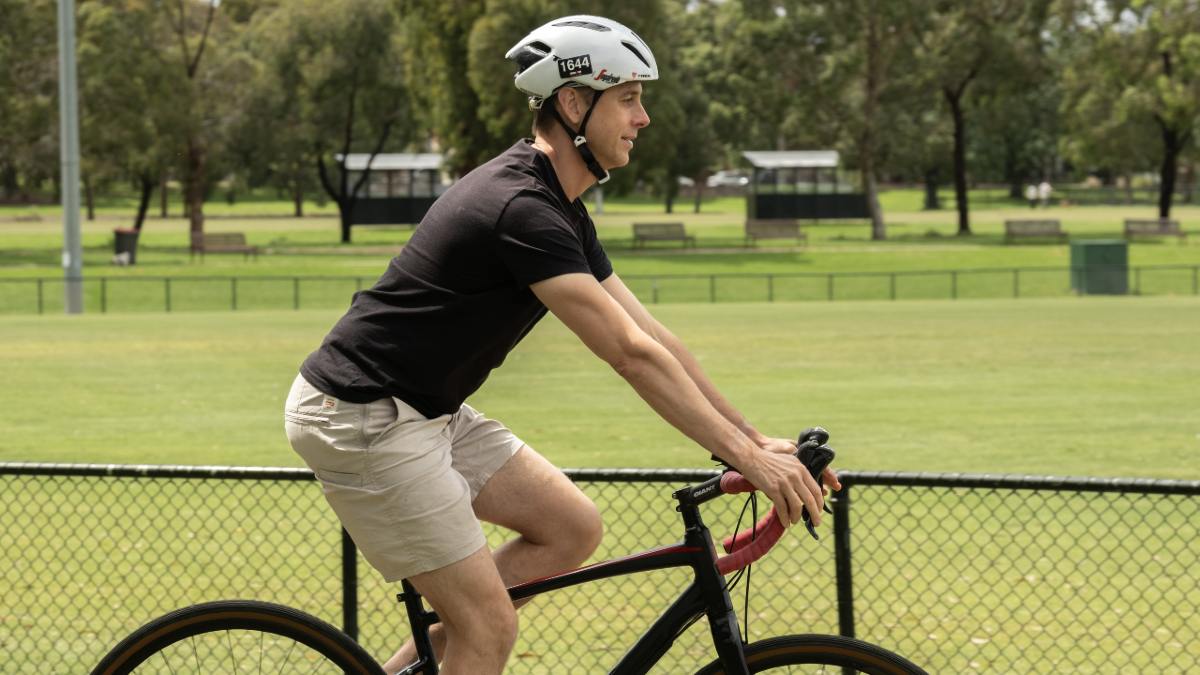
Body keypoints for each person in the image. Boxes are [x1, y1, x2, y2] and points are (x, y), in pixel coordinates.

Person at [283, 15, 838, 675]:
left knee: (570, 527)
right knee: (488, 624)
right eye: (629, 98)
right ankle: (465, 631)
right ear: (575, 103)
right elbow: (627, 354)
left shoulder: (558, 201)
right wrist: (743, 452)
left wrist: (750, 440)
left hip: (423, 409)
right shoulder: (522, 208)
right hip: (363, 416)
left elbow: (650, 334)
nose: (644, 117)